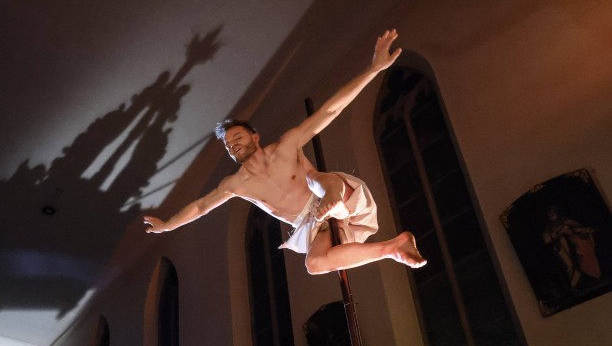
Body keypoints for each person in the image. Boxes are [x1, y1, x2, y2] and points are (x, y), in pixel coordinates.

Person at [143, 30, 425, 275]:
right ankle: (393, 247)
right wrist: (167, 225)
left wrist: (373, 69)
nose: (234, 145)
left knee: (316, 179)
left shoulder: (286, 146)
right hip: (313, 223)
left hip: (331, 194)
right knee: (314, 265)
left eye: (238, 137)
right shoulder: (237, 184)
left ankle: (333, 198)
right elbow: (200, 207)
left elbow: (330, 110)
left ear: (255, 136)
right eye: (229, 145)